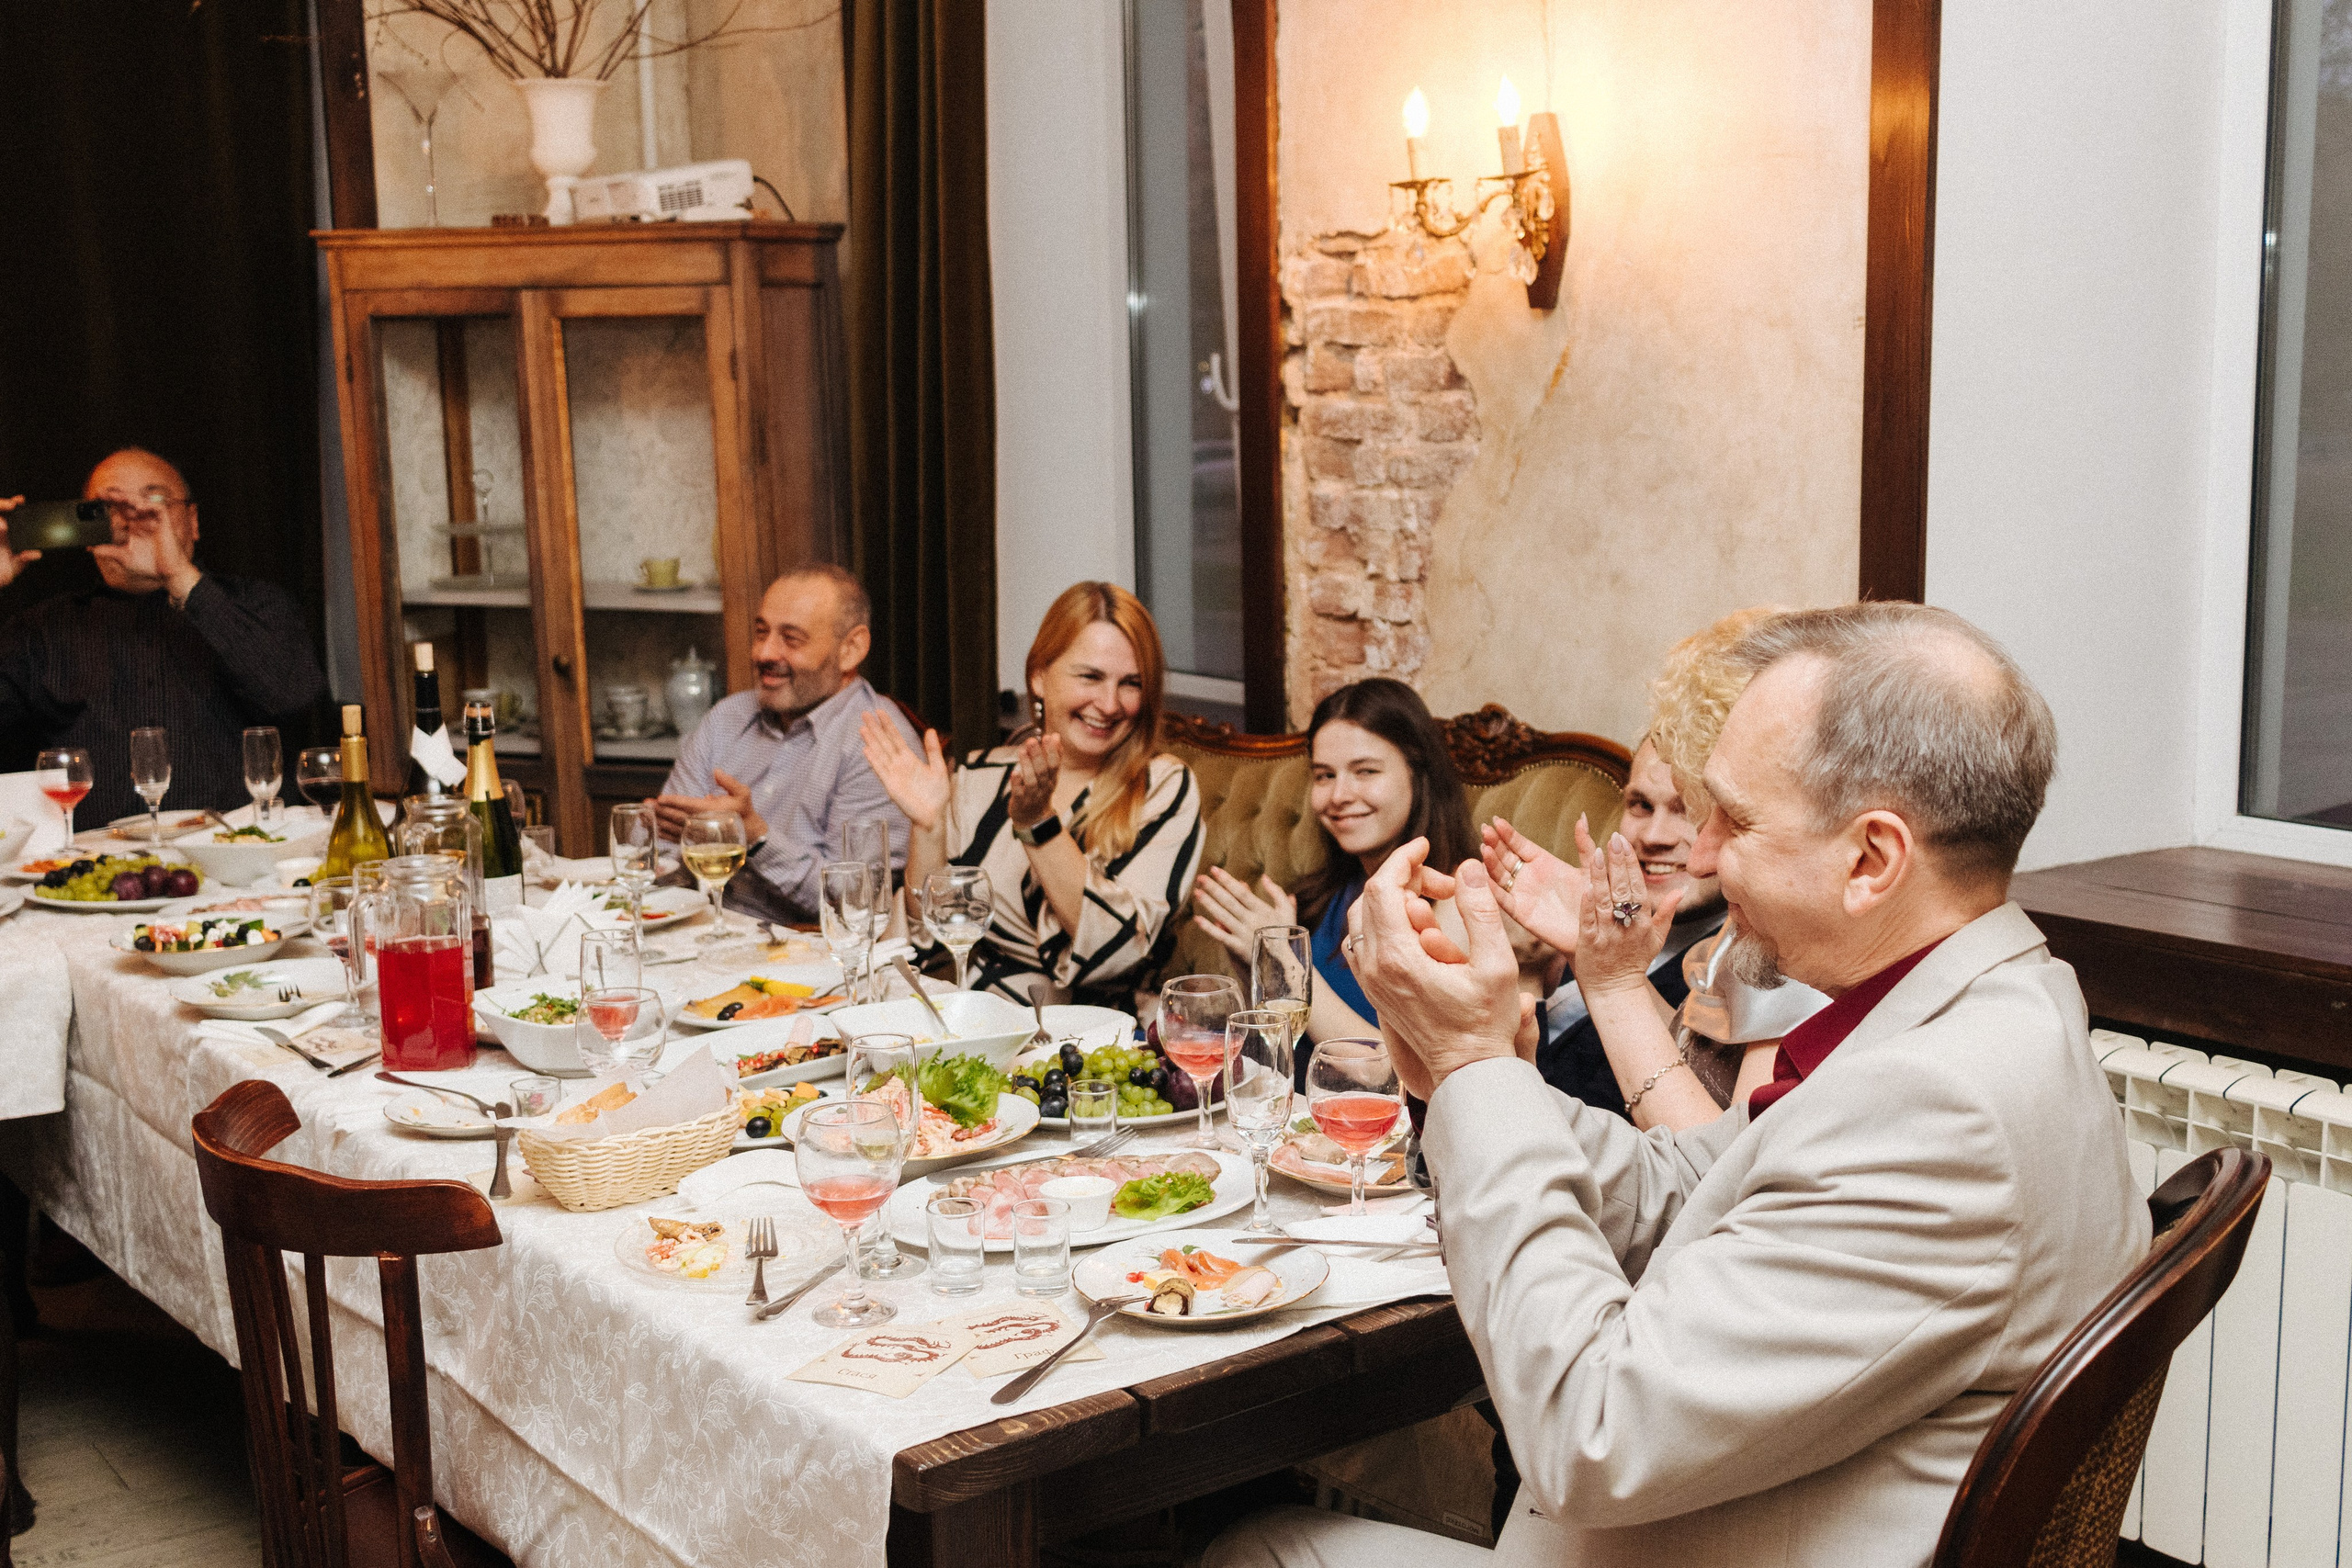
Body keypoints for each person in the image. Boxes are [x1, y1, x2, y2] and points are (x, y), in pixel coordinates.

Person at [1209, 602, 2149, 1568]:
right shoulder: (1991, 1004)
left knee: (1257, 1548)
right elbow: (1689, 1186)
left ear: (1872, 858)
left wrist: (1474, 1067)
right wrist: (1455, 1073)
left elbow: (1589, 1434)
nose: (1698, 855)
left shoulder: (1942, 1114)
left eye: (1734, 819)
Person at [1488, 608, 1828, 1131]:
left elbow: (1720, 1165)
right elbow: (1693, 1069)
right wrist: (1599, 961)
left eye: (1721, 814)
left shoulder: (1802, 940)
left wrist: (1471, 1066)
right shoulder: (1749, 928)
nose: (1697, 853)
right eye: (1640, 805)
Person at [860, 581, 1204, 1008]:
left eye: (1131, 683)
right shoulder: (982, 775)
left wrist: (1038, 824)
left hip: (1095, 1029)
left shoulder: (1163, 787)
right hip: (971, 1017)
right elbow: (921, 946)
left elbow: (1115, 950)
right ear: (1040, 677)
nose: (1110, 704)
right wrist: (928, 828)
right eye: (1090, 677)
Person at [0, 448, 327, 825]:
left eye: (154, 500)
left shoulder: (256, 603)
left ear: (193, 521)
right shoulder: (41, 629)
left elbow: (293, 695)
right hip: (99, 853)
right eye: (111, 507)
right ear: (87, 530)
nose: (136, 518)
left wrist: (178, 575)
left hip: (239, 846)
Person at [1191, 677, 1479, 1048]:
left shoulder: (1456, 899)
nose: (1339, 795)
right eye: (1325, 775)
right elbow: (1279, 1047)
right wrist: (1255, 967)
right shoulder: (1323, 897)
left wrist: (1288, 965)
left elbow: (1407, 1070)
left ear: (1419, 774)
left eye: (1366, 771)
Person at [649, 564, 916, 927]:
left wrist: (755, 837)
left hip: (806, 950)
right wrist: (652, 831)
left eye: (791, 639)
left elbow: (855, 903)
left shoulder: (879, 743)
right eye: (761, 633)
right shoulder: (726, 717)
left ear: (851, 649)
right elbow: (662, 852)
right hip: (702, 931)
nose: (764, 653)